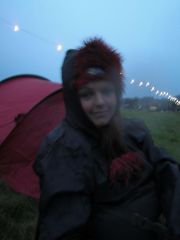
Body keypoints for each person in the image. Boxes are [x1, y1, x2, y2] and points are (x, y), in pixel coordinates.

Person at [33, 38, 180, 240]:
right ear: (74, 100)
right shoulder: (66, 151)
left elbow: (165, 167)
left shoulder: (132, 130)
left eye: (107, 91)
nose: (100, 102)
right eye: (87, 94)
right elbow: (63, 228)